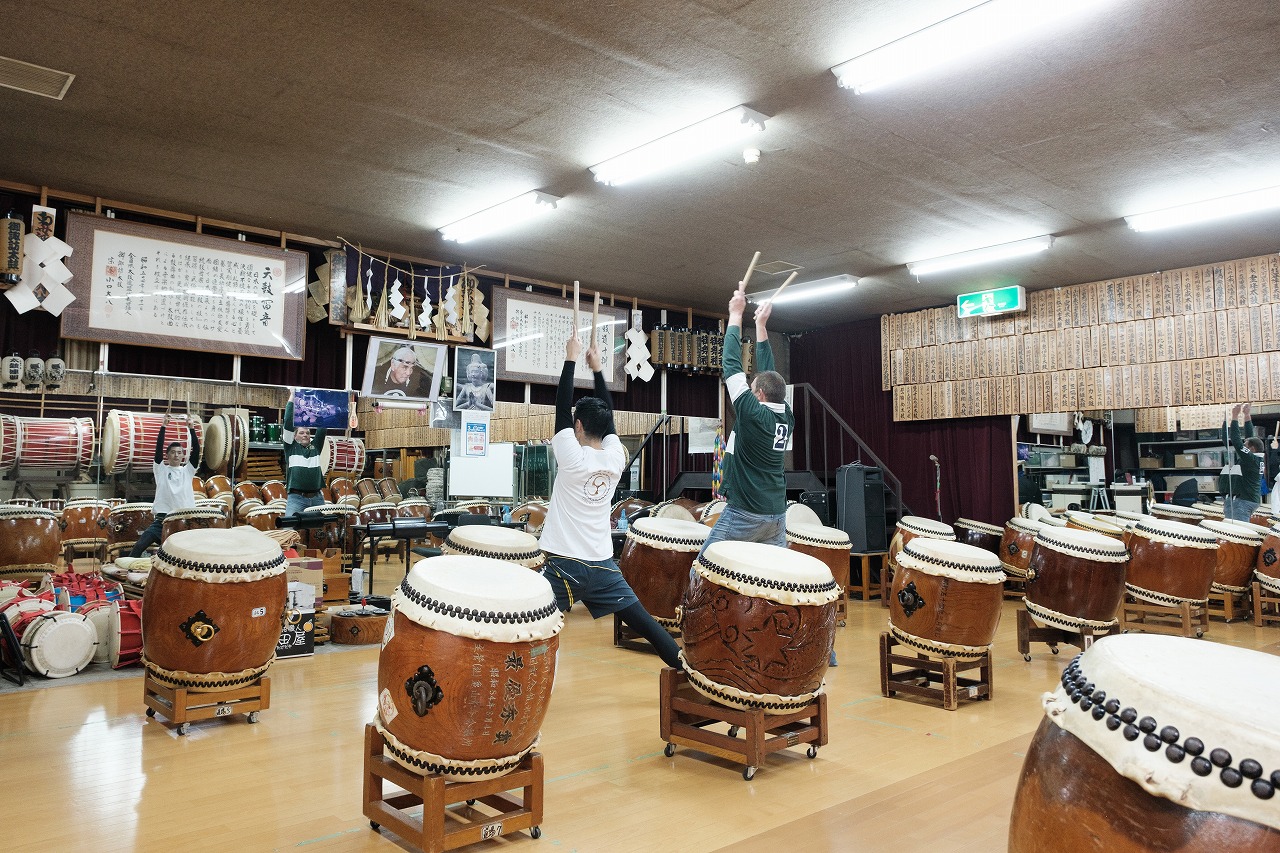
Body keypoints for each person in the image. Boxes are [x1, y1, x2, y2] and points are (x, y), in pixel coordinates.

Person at [538, 334, 682, 669]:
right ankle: (689, 674)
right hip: (603, 567)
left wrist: (571, 359)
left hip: (564, 567)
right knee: (647, 624)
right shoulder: (617, 456)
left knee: (527, 622)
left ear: (577, 426)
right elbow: (607, 418)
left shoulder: (572, 457)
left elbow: (561, 408)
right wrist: (599, 369)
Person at [700, 282, 794, 555]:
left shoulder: (753, 414)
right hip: (776, 514)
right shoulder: (785, 415)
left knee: (706, 565)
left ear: (761, 395)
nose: (750, 392)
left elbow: (731, 365)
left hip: (746, 513)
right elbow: (770, 374)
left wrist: (736, 315)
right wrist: (762, 326)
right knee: (768, 577)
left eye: (753, 390)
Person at [127, 415, 199, 558]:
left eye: (179, 453)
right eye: (173, 452)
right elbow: (158, 449)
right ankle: (126, 572)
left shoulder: (188, 470)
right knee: (139, 546)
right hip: (161, 521)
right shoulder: (161, 469)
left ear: (183, 455)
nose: (176, 455)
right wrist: (163, 427)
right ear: (167, 455)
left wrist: (191, 428)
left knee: (184, 555)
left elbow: (196, 451)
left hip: (183, 521)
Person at [1219, 402, 1264, 522]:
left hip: (1242, 501)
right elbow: (1250, 438)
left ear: (1252, 449)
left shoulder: (1251, 459)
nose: (1242, 446)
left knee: (1236, 533)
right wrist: (1247, 415)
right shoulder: (1255, 458)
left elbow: (1237, 441)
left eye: (1245, 445)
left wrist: (1234, 416)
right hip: (1246, 499)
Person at [283, 399, 327, 516]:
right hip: (296, 498)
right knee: (289, 529)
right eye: (301, 433)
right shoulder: (290, 447)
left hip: (317, 498)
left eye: (307, 433)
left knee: (319, 532)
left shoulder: (316, 447)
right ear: (295, 436)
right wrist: (291, 400)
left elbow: (322, 428)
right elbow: (287, 422)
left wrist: (321, 407)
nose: (305, 435)